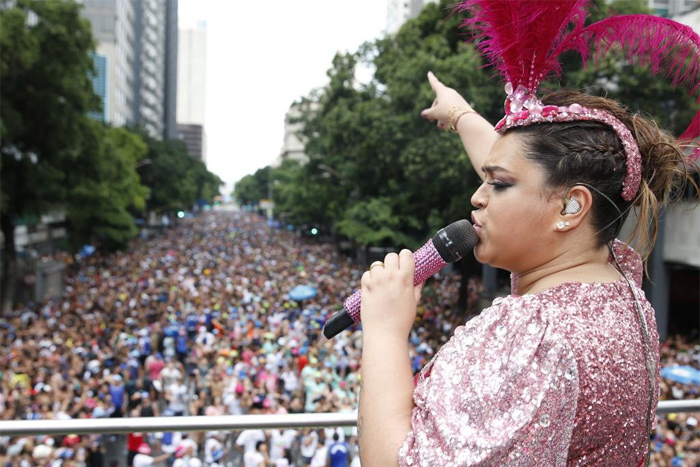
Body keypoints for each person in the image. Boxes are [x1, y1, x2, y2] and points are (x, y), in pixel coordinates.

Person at [356, 1, 699, 466]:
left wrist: (384, 331)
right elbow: (531, 188)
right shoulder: (617, 280)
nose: (477, 197)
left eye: (496, 184)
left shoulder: (533, 338)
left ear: (572, 206)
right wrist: (461, 115)